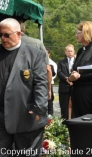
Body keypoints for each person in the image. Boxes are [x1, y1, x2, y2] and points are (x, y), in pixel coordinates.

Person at [0, 18, 48, 156]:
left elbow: (40, 83)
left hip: (26, 116)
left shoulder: (34, 54)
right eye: (0, 35)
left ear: (19, 34)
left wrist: (39, 108)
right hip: (2, 117)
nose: (3, 38)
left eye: (6, 35)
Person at [68, 21, 92, 117]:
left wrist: (80, 76)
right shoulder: (81, 50)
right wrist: (71, 77)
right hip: (77, 92)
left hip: (89, 94)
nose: (76, 35)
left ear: (86, 33)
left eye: (78, 33)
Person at [20, 21, 52, 100]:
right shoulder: (38, 43)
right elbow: (48, 69)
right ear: (24, 29)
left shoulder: (7, 44)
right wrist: (49, 89)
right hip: (35, 85)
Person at [57, 44, 75, 119]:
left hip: (75, 87)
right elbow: (59, 72)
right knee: (64, 106)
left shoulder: (77, 62)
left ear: (74, 52)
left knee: (75, 106)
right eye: (68, 51)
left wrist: (73, 80)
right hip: (64, 87)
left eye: (71, 51)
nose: (70, 52)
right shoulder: (61, 62)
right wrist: (67, 79)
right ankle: (64, 123)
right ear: (65, 52)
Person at [47, 48, 57, 117]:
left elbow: (54, 74)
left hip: (49, 84)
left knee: (49, 100)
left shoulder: (52, 63)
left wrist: (48, 80)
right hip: (40, 84)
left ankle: (50, 115)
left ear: (49, 54)